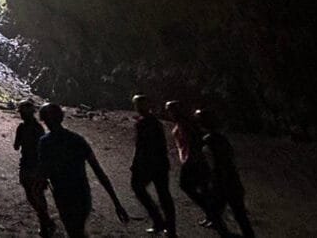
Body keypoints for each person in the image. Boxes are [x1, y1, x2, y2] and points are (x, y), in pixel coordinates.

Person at [37, 103, 129, 237]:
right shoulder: (77, 140)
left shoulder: (45, 143)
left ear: (44, 120)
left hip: (63, 194)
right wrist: (116, 202)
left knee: (73, 230)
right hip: (81, 193)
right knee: (77, 230)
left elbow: (43, 172)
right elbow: (99, 171)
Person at [195, 109, 255, 238]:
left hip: (221, 183)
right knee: (240, 215)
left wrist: (210, 182)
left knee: (214, 213)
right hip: (233, 181)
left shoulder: (207, 141)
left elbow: (212, 165)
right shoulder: (222, 139)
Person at [131, 95, 176, 236]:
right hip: (160, 162)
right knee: (164, 194)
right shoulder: (156, 122)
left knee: (138, 187)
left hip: (148, 163)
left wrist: (136, 163)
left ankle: (158, 220)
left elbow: (141, 147)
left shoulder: (142, 123)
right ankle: (170, 228)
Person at [165, 100, 213, 227]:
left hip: (192, 159)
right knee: (203, 188)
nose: (169, 113)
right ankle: (211, 214)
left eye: (170, 110)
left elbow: (193, 142)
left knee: (187, 185)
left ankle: (212, 213)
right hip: (193, 158)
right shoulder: (183, 123)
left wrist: (190, 158)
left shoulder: (184, 124)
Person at [13, 100, 55, 237]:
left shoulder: (23, 128)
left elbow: (16, 146)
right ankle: (45, 220)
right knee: (38, 195)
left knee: (32, 195)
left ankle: (45, 222)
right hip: (35, 164)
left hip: (28, 164)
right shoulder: (38, 128)